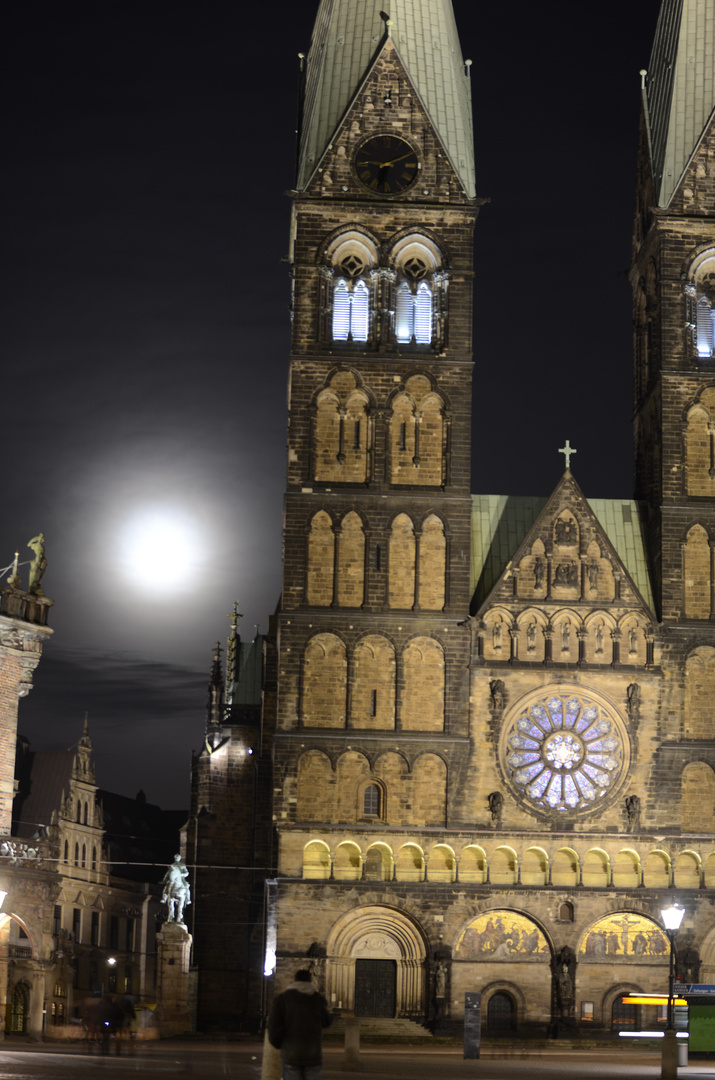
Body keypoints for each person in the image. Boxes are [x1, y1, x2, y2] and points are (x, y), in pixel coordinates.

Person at [268, 969, 332, 1080]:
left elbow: (274, 1026)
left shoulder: (282, 999)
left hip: (291, 1053)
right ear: (310, 981)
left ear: (294, 980)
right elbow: (326, 1022)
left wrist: (279, 1044)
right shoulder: (317, 999)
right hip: (313, 1055)